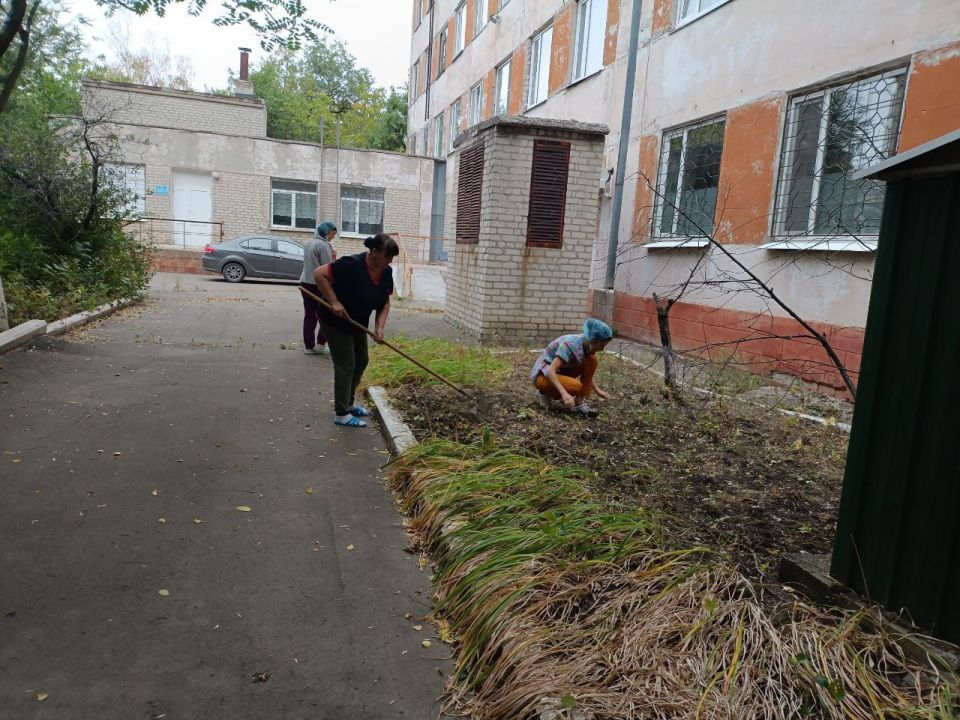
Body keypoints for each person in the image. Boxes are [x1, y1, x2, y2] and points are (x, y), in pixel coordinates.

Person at [314, 234, 399, 428]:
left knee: (362, 360)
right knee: (346, 364)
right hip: (334, 320)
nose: (390, 261)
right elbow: (319, 274)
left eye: (392, 257)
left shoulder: (386, 272)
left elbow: (384, 302)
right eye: (387, 256)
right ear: (374, 252)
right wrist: (334, 302)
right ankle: (341, 413)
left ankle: (349, 403)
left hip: (357, 322)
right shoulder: (351, 264)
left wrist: (379, 327)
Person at [531, 318, 613, 416]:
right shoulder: (569, 345)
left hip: (559, 371)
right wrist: (564, 394)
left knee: (592, 360)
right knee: (575, 386)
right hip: (543, 376)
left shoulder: (585, 345)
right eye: (602, 346)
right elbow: (550, 371)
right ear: (593, 341)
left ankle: (579, 403)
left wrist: (597, 390)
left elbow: (587, 374)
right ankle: (544, 392)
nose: (602, 349)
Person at [300, 221, 337, 355]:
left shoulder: (309, 243)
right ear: (327, 232)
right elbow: (327, 268)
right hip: (319, 285)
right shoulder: (324, 245)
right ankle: (321, 344)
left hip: (305, 282)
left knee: (310, 315)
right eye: (333, 233)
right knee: (326, 315)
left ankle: (309, 347)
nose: (333, 237)